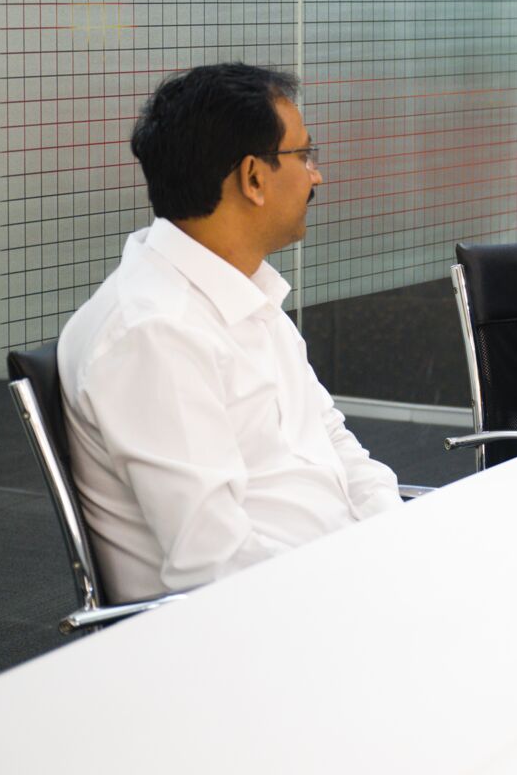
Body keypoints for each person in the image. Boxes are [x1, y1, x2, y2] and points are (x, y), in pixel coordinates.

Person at [58, 63, 402, 602]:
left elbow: (336, 445)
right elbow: (215, 565)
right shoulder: (151, 332)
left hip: (341, 587)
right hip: (260, 634)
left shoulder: (245, 295)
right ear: (254, 179)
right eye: (304, 155)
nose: (317, 175)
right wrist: (365, 584)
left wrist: (398, 541)